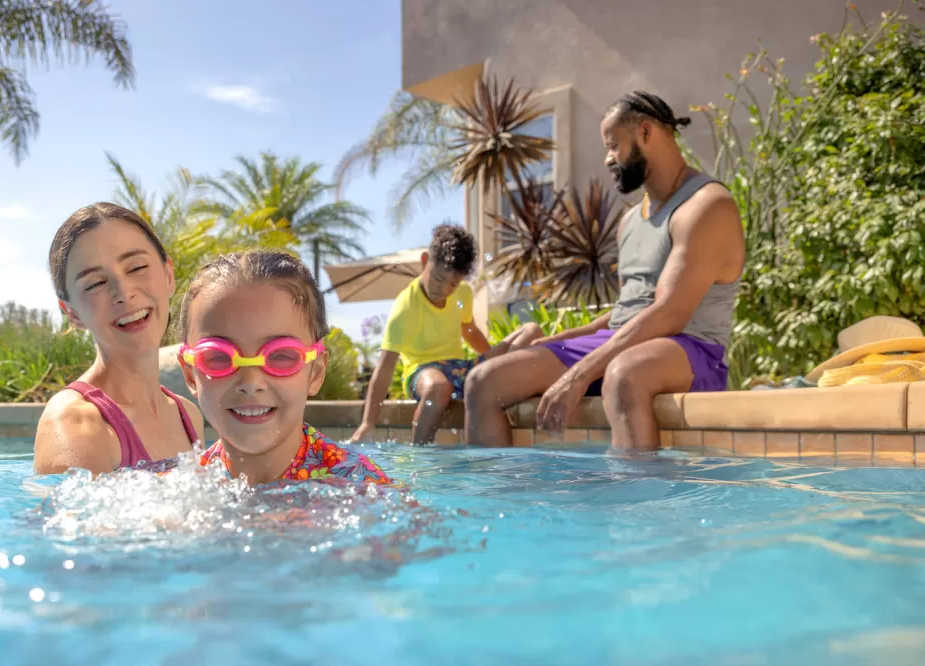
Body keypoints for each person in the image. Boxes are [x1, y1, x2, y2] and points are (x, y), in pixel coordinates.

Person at [464, 91, 746, 451]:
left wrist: (579, 375)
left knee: (624, 374)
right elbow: (627, 312)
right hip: (625, 342)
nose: (607, 158)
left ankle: (635, 488)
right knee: (484, 382)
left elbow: (670, 314)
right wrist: (557, 340)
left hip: (692, 349)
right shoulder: (630, 220)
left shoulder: (706, 206)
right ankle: (489, 489)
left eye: (613, 145)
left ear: (645, 133)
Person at [177, 249, 391, 486]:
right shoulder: (183, 485)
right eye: (218, 357)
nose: (250, 383)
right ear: (190, 374)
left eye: (280, 355)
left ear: (316, 372)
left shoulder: (360, 485)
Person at [34, 202, 203, 476]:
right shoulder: (76, 424)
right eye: (95, 284)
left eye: (137, 267)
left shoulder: (188, 415)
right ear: (72, 313)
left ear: (168, 275)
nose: (124, 293)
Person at [351, 224, 542, 445]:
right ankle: (420, 454)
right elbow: (384, 369)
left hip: (460, 368)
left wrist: (493, 364)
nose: (443, 290)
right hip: (422, 372)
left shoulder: (463, 293)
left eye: (453, 284)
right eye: (439, 278)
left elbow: (469, 331)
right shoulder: (405, 308)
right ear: (425, 261)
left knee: (531, 331)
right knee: (438, 387)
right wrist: (368, 424)